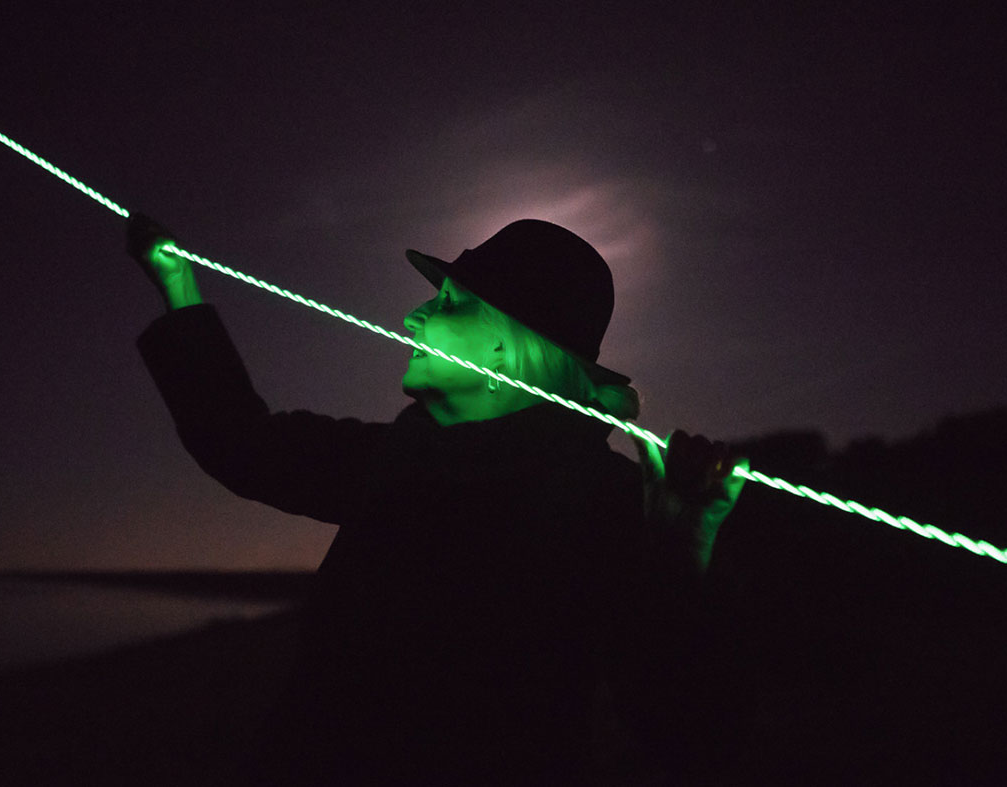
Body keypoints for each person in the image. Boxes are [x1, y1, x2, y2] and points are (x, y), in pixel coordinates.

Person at [128, 215, 747, 784]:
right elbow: (244, 444)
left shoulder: (607, 504)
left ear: (507, 345)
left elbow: (679, 735)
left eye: (448, 302)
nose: (412, 317)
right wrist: (177, 282)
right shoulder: (395, 461)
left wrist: (681, 555)